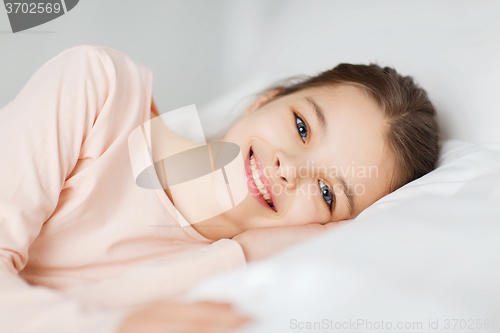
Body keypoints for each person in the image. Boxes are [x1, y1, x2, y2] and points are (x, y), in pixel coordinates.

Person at [0, 45, 439, 332]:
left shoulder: (232, 278)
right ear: (265, 100)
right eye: (302, 126)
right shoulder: (101, 90)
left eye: (327, 193)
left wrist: (244, 254)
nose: (291, 170)